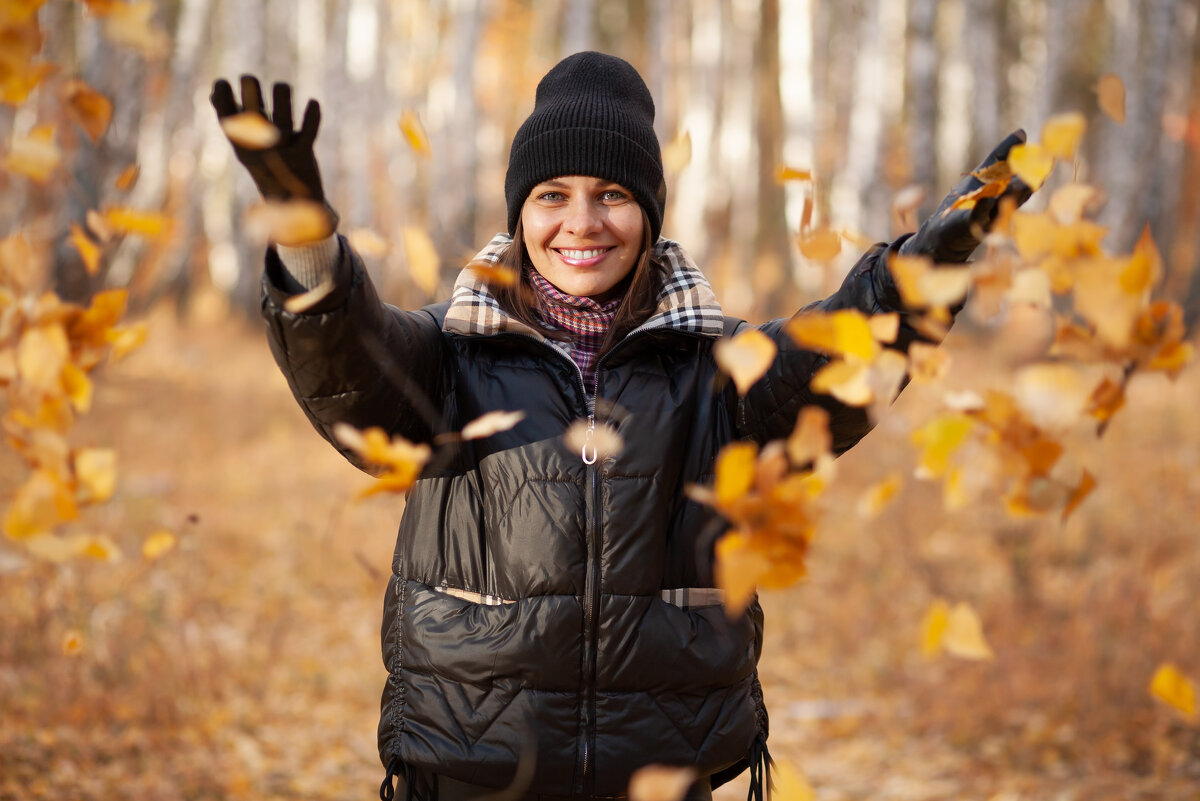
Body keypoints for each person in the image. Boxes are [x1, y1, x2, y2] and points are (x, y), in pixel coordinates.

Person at [211, 52, 1031, 801]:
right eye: (552, 196)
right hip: (471, 766)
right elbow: (351, 372)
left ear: (649, 211)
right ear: (520, 212)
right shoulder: (452, 353)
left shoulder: (720, 366)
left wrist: (924, 273)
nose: (582, 223)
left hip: (663, 769)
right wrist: (307, 244)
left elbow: (833, 362)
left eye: (612, 194)